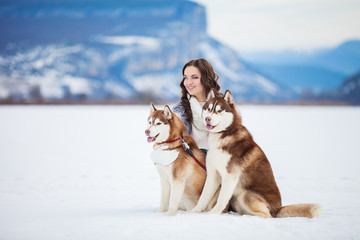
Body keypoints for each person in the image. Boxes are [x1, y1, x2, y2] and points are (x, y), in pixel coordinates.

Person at [172, 58, 221, 153]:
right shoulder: (179, 112)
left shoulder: (224, 108)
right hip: (192, 165)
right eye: (185, 77)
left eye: (194, 77)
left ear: (206, 78)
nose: (188, 82)